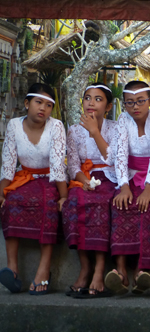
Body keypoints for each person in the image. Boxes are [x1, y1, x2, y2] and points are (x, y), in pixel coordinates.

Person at [0, 83, 67, 295]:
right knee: (10, 202)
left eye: (48, 105)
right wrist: (2, 192)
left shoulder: (56, 126)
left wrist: (64, 196)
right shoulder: (13, 125)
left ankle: (43, 270)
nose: (43, 109)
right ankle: (12, 268)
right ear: (27, 103)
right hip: (24, 177)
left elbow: (58, 165)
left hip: (50, 179)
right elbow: (8, 163)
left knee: (49, 206)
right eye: (38, 102)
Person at [105, 81, 150, 295]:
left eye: (140, 101)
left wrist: (149, 188)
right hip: (128, 176)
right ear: (124, 104)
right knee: (120, 205)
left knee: (146, 208)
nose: (135, 107)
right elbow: (120, 154)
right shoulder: (122, 119)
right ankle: (120, 271)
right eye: (130, 103)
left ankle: (141, 270)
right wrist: (123, 187)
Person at [62, 83, 117, 298]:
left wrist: (95, 132)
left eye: (98, 99)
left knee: (102, 203)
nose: (91, 103)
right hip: (84, 178)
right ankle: (85, 267)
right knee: (74, 202)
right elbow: (73, 165)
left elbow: (113, 160)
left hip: (111, 177)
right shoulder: (74, 130)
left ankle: (100, 268)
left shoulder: (116, 128)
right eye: (87, 98)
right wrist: (84, 181)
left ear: (108, 106)